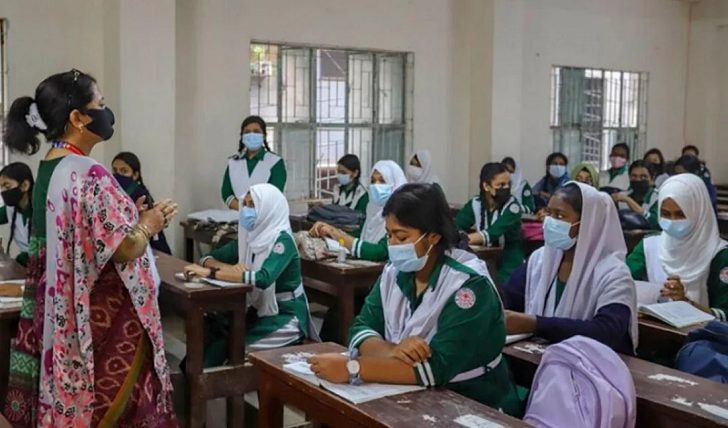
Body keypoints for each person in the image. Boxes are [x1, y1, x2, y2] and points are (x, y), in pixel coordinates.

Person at [2, 69, 178, 427]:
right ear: (78, 118)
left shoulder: (50, 166)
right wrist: (150, 223)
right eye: (100, 104)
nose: (106, 112)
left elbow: (83, 234)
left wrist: (130, 216)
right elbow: (124, 248)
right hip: (96, 314)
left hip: (57, 305)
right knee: (113, 405)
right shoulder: (88, 172)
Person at [307, 183, 523, 416]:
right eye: (389, 235)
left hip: (472, 400)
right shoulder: (395, 272)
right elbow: (361, 329)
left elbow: (436, 368)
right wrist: (392, 350)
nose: (392, 245)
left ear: (433, 237)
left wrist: (353, 367)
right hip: (409, 389)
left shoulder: (468, 286)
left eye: (401, 237)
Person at [184, 184, 316, 364]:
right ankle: (194, 378)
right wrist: (227, 269)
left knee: (237, 350)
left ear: (268, 208)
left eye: (252, 205)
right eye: (245, 204)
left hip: (287, 316)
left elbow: (263, 278)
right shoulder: (249, 236)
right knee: (219, 338)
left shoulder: (282, 241)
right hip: (259, 311)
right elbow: (208, 258)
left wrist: (211, 273)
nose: (246, 210)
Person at [502, 182, 638, 355]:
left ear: (588, 224)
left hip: (590, 363)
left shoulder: (614, 274)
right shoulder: (541, 259)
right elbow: (509, 297)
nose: (550, 221)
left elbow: (607, 331)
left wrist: (535, 324)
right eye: (549, 213)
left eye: (560, 216)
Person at [626, 174, 728, 321]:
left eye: (681, 214)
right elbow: (623, 280)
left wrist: (686, 303)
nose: (672, 221)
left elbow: (725, 315)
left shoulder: (720, 255)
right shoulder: (650, 246)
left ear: (699, 212)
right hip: (653, 329)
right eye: (665, 214)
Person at [310, 160, 407, 261]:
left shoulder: (401, 216)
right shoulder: (372, 211)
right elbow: (359, 235)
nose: (376, 185)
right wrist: (330, 233)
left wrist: (337, 235)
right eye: (373, 181)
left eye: (382, 181)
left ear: (396, 184)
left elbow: (380, 251)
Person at [455, 163, 524, 283]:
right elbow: (457, 225)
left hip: (508, 263)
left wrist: (462, 240)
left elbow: (492, 233)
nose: (506, 188)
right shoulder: (476, 203)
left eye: (508, 184)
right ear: (486, 186)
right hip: (483, 259)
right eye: (501, 185)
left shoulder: (513, 207)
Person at [221, 115, 286, 210]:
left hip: (265, 215)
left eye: (256, 131)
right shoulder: (234, 162)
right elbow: (226, 193)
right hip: (238, 215)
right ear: (242, 136)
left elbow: (275, 194)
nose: (252, 135)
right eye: (247, 132)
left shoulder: (275, 162)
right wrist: (242, 209)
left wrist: (252, 210)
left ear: (264, 135)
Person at [112, 151, 172, 254]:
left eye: (124, 171)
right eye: (115, 170)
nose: (118, 175)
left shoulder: (142, 195)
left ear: (135, 175)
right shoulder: (111, 193)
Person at [0, 163, 33, 266]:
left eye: (7, 186)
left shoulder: (41, 209)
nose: (4, 192)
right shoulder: (11, 209)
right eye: (1, 188)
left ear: (25, 185)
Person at [612, 160, 659, 229]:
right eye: (634, 176)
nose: (638, 180)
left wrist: (628, 200)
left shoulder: (658, 197)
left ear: (652, 179)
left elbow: (653, 222)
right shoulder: (621, 196)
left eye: (643, 176)